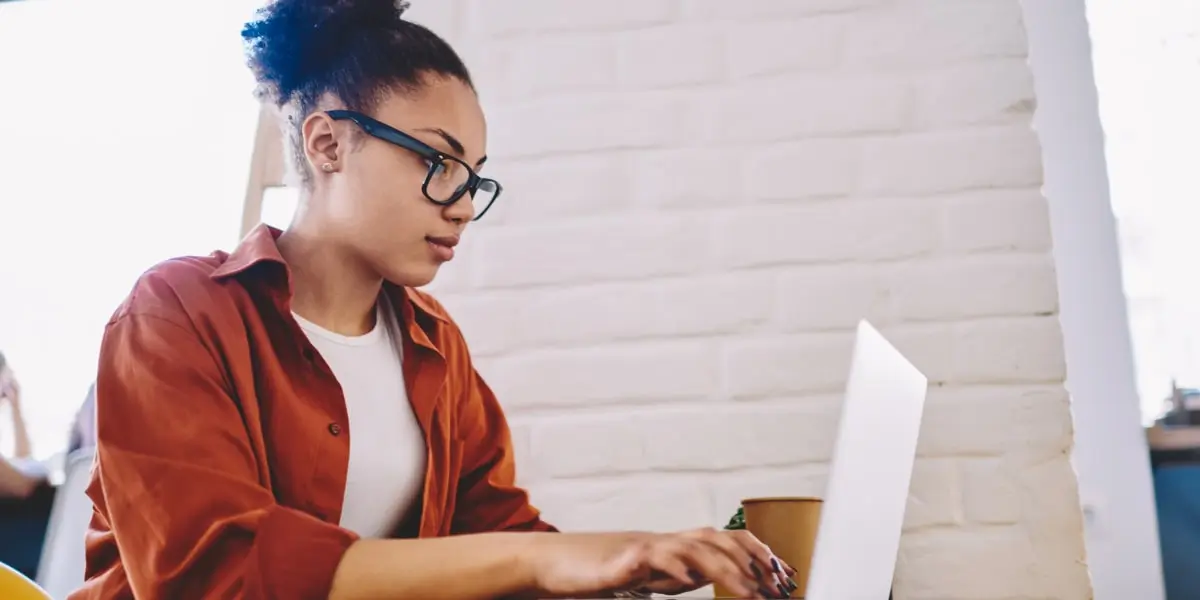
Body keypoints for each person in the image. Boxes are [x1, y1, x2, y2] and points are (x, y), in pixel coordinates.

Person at [71, 1, 799, 599]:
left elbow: (500, 538)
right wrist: (551, 561)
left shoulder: (432, 345)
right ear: (327, 144)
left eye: (473, 177)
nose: (459, 205)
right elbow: (217, 576)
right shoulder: (175, 313)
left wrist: (640, 564)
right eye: (439, 162)